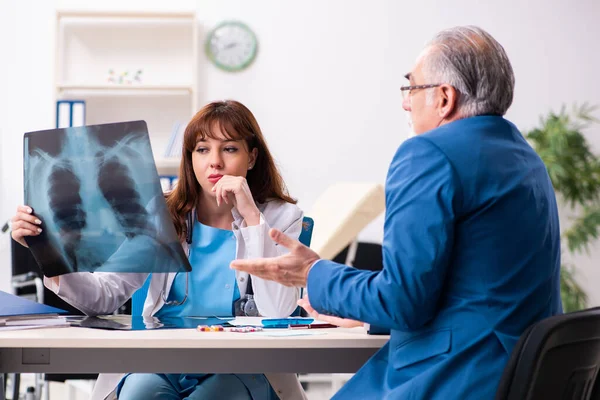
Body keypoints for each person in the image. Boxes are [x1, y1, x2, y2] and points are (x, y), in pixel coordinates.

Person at [230, 26, 562, 399]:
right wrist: (367, 310)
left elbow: (402, 302)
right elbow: (474, 287)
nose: (406, 102)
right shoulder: (523, 156)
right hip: (521, 376)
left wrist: (312, 273)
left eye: (412, 87)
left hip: (454, 379)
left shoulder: (429, 153)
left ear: (444, 98)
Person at [11, 100, 307, 400]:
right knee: (138, 395)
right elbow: (103, 298)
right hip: (163, 358)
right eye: (203, 149)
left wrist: (253, 220)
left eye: (229, 148)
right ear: (190, 158)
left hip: (241, 364)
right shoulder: (161, 213)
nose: (214, 162)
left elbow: (278, 312)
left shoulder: (282, 217)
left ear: (252, 157)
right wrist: (47, 251)